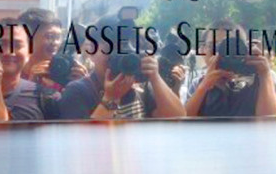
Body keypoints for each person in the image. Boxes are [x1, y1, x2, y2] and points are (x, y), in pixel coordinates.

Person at [57, 13, 186, 120]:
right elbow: (81, 139)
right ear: (91, 50)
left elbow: (177, 119)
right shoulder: (77, 91)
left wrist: (155, 78)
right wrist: (111, 99)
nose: (120, 55)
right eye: (110, 47)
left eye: (126, 47)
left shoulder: (142, 86)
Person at [185, 21, 276, 118]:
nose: (222, 51)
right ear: (203, 50)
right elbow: (185, 120)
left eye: (230, 46)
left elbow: (271, 121)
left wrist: (265, 75)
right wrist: (204, 85)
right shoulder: (198, 83)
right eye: (214, 46)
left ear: (244, 49)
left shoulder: (261, 78)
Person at [0, 17, 59, 121]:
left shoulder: (46, 98)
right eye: (1, 44)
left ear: (29, 51)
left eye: (17, 45)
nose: (9, 52)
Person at [18, 8, 88, 90]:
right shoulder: (11, 74)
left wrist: (83, 85)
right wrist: (31, 84)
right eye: (50, 36)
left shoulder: (66, 71)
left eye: (58, 37)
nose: (55, 43)